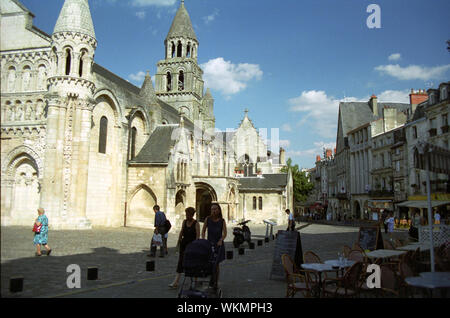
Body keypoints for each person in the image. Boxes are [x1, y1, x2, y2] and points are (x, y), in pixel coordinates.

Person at [169, 207, 200, 288]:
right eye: (186, 214)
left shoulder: (196, 223)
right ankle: (176, 281)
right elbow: (182, 231)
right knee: (181, 262)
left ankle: (194, 281)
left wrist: (196, 246)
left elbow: (197, 236)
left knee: (193, 263)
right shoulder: (184, 222)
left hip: (192, 246)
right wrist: (178, 242)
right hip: (184, 245)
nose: (187, 216)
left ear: (192, 215)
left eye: (188, 214)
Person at [201, 203, 227, 290]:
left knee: (216, 264)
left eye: (215, 209)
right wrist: (203, 240)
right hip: (209, 244)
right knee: (210, 263)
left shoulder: (222, 221)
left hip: (218, 244)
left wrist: (221, 240)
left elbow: (225, 233)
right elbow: (203, 230)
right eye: (212, 209)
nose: (214, 211)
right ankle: (212, 279)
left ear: (219, 210)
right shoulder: (207, 219)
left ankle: (216, 282)